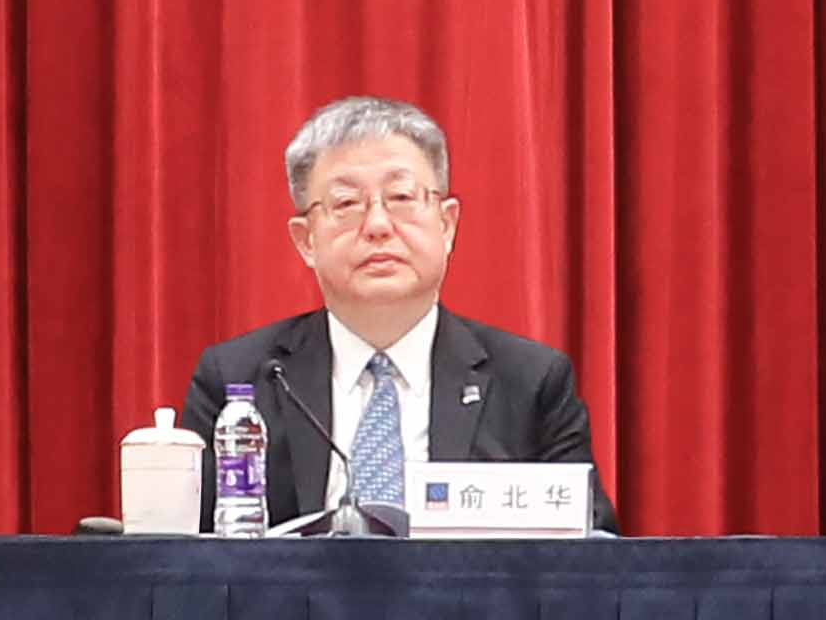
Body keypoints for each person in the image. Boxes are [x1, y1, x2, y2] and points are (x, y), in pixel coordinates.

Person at [171, 94, 609, 532]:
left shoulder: (531, 384)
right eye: (346, 204)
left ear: (447, 224)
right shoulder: (240, 380)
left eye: (400, 197)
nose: (378, 226)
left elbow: (593, 551)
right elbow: (183, 554)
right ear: (306, 240)